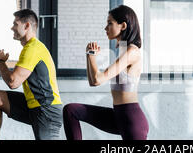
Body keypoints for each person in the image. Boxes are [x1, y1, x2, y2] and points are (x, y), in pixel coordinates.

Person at [63, 5, 149, 140]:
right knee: (71, 110)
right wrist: (89, 55)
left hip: (131, 119)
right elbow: (93, 82)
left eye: (110, 23)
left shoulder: (132, 52)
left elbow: (98, 79)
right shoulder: (122, 51)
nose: (105, 28)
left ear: (123, 26)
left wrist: (92, 57)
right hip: (117, 116)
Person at [0, 9, 63, 140]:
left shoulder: (33, 48)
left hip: (46, 109)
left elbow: (13, 82)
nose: (12, 28)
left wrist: (0, 62)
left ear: (26, 26)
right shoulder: (29, 48)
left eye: (15, 24)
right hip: (32, 105)